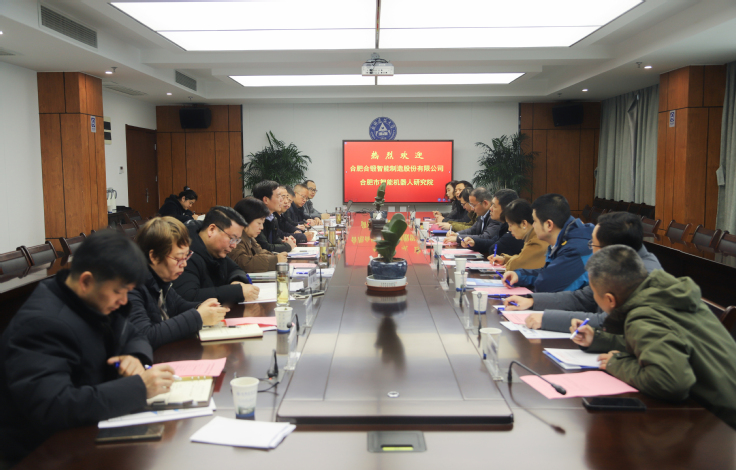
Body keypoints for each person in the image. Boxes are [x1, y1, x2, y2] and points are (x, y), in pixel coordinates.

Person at [0, 231, 175, 464]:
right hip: (46, 453)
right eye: (119, 291)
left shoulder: (92, 299)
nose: (124, 301)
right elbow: (55, 407)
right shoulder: (41, 324)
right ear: (86, 281)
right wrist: (139, 388)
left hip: (88, 432)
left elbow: (133, 333)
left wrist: (134, 356)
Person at [570, 245, 736, 430]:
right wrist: (598, 338)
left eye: (594, 292)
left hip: (724, 427)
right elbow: (657, 340)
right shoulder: (663, 293)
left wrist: (617, 364)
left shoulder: (643, 316)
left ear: (610, 299)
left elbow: (671, 382)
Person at [505, 211, 661, 331]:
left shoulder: (642, 276)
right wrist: (532, 301)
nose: (591, 250)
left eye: (593, 245)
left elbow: (607, 322)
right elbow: (583, 298)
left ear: (612, 249)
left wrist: (546, 319)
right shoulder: (620, 262)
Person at [127, 217, 230, 349]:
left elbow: (178, 305)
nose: (184, 264)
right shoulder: (131, 286)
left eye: (186, 256)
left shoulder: (160, 278)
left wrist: (203, 307)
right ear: (154, 257)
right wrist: (198, 316)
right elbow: (145, 335)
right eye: (178, 258)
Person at [502, 193, 593, 293]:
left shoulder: (575, 249)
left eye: (534, 221)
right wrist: (519, 276)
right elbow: (549, 273)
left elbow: (546, 286)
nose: (533, 225)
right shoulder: (564, 239)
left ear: (549, 224)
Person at [172, 206, 259, 304]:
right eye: (232, 239)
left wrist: (236, 281)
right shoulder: (185, 254)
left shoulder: (216, 250)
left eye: (237, 240)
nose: (234, 245)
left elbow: (235, 269)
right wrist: (236, 292)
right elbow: (188, 296)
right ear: (212, 229)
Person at [487, 198, 548, 271]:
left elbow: (518, 264)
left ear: (523, 224)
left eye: (510, 225)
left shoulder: (536, 241)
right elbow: (522, 258)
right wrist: (505, 259)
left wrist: (509, 262)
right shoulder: (530, 237)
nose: (509, 229)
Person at [231, 197, 289, 272]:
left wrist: (276, 256)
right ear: (245, 220)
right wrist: (275, 260)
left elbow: (260, 252)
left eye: (262, 223)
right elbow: (243, 263)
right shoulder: (235, 238)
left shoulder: (250, 237)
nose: (262, 228)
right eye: (259, 223)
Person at [462, 189, 524, 256]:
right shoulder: (504, 225)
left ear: (506, 209)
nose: (490, 208)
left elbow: (494, 249)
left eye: (494, 206)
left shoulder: (516, 229)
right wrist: (474, 242)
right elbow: (492, 241)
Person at [253, 180, 296, 253]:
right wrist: (288, 246)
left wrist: (284, 241)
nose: (282, 200)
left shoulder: (272, 217)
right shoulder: (256, 219)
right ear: (266, 200)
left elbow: (275, 239)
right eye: (279, 196)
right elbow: (265, 247)